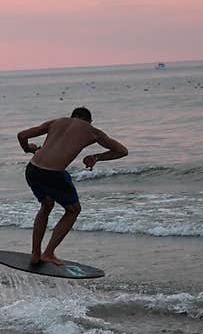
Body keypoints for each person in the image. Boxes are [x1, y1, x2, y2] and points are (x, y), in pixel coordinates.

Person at [17, 106, 128, 264]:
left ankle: (35, 254)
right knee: (74, 210)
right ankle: (48, 253)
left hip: (33, 169)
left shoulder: (56, 122)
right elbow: (122, 151)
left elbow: (22, 135)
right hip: (53, 174)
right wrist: (96, 157)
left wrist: (28, 149)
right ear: (89, 121)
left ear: (72, 117)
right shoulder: (92, 131)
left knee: (46, 205)